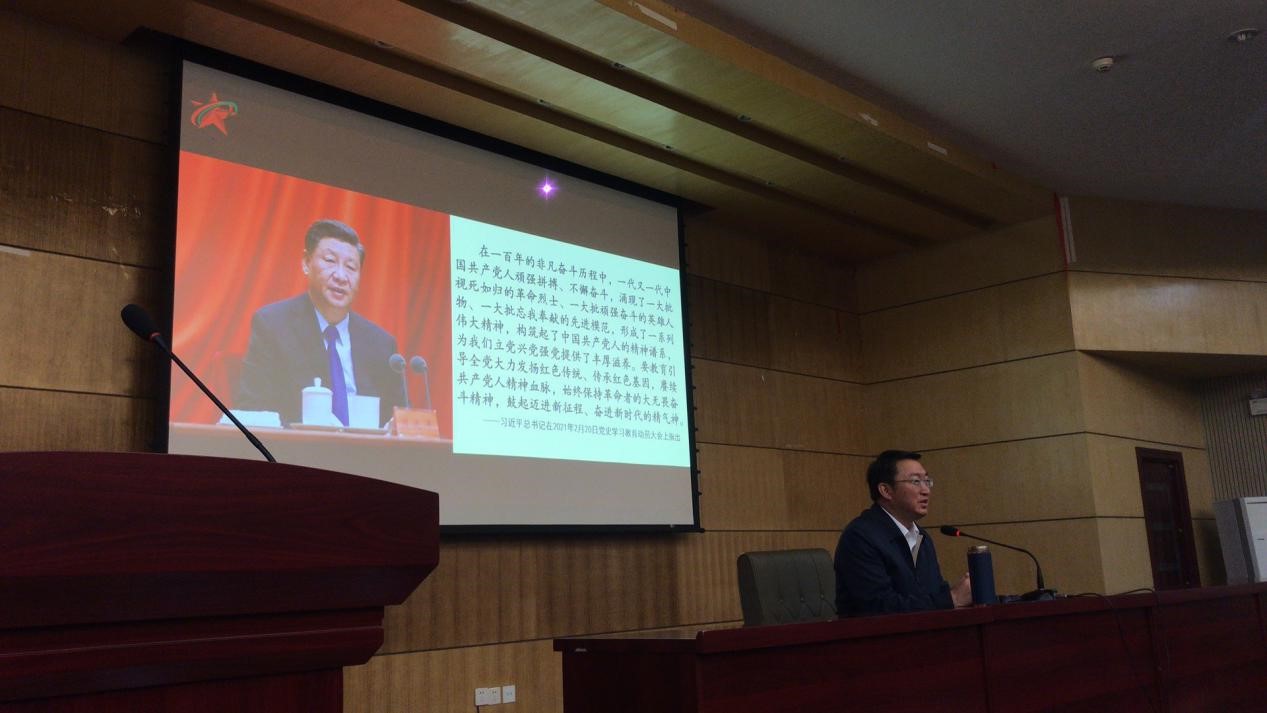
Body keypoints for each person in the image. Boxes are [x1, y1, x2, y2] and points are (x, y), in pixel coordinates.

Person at [235, 219, 405, 427]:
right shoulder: (273, 326)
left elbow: (400, 420)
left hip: (366, 447)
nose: (341, 276)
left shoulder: (381, 344)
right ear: (306, 263)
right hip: (298, 446)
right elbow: (253, 409)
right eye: (330, 261)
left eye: (351, 267)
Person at [833, 450, 972, 616]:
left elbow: (932, 593)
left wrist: (963, 595)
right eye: (915, 481)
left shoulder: (921, 537)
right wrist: (952, 598)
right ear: (886, 491)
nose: (926, 490)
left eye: (927, 481)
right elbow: (880, 608)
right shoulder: (860, 537)